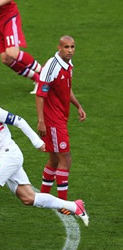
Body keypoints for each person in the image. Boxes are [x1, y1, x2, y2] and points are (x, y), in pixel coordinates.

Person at [0, 83, 89, 248]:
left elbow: (19, 121)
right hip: (2, 159)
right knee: (28, 198)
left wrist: (37, 142)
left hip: (9, 155)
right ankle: (75, 206)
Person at [36, 36, 86, 211]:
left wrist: (78, 105)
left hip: (60, 117)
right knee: (66, 158)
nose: (70, 50)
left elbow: (67, 89)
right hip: (53, 120)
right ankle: (63, 205)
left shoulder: (68, 65)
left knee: (54, 159)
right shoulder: (52, 66)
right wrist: (41, 121)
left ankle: (42, 197)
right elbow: (40, 93)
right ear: (59, 47)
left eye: (72, 47)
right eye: (66, 47)